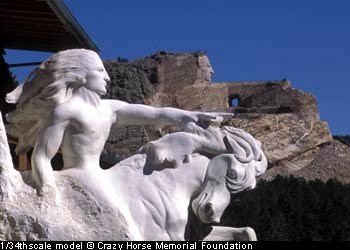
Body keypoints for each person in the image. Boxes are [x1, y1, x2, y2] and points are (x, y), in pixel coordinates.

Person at [6, 49, 227, 195]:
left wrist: (190, 116)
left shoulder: (109, 108)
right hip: (80, 179)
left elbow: (156, 114)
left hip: (101, 176)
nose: (108, 77)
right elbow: (42, 157)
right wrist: (48, 190)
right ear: (81, 75)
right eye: (100, 71)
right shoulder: (66, 112)